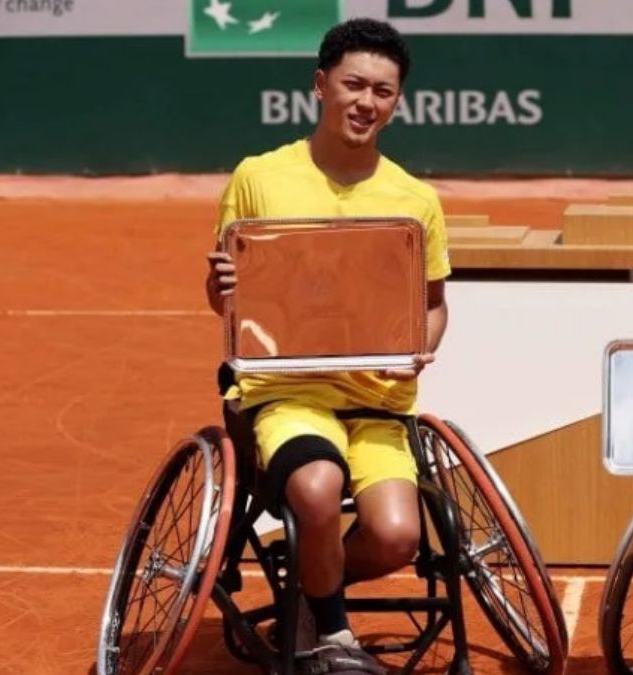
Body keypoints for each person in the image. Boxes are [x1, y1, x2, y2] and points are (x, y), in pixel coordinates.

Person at [205, 17, 450, 673]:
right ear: (321, 86)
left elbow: (432, 308)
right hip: (289, 390)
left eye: (383, 91)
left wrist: (417, 348)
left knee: (398, 535)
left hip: (378, 399)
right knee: (315, 488)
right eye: (353, 84)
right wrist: (220, 281)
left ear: (397, 101)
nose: (366, 102)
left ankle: (313, 578)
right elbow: (227, 298)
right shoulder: (259, 176)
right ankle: (332, 639)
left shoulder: (416, 199)